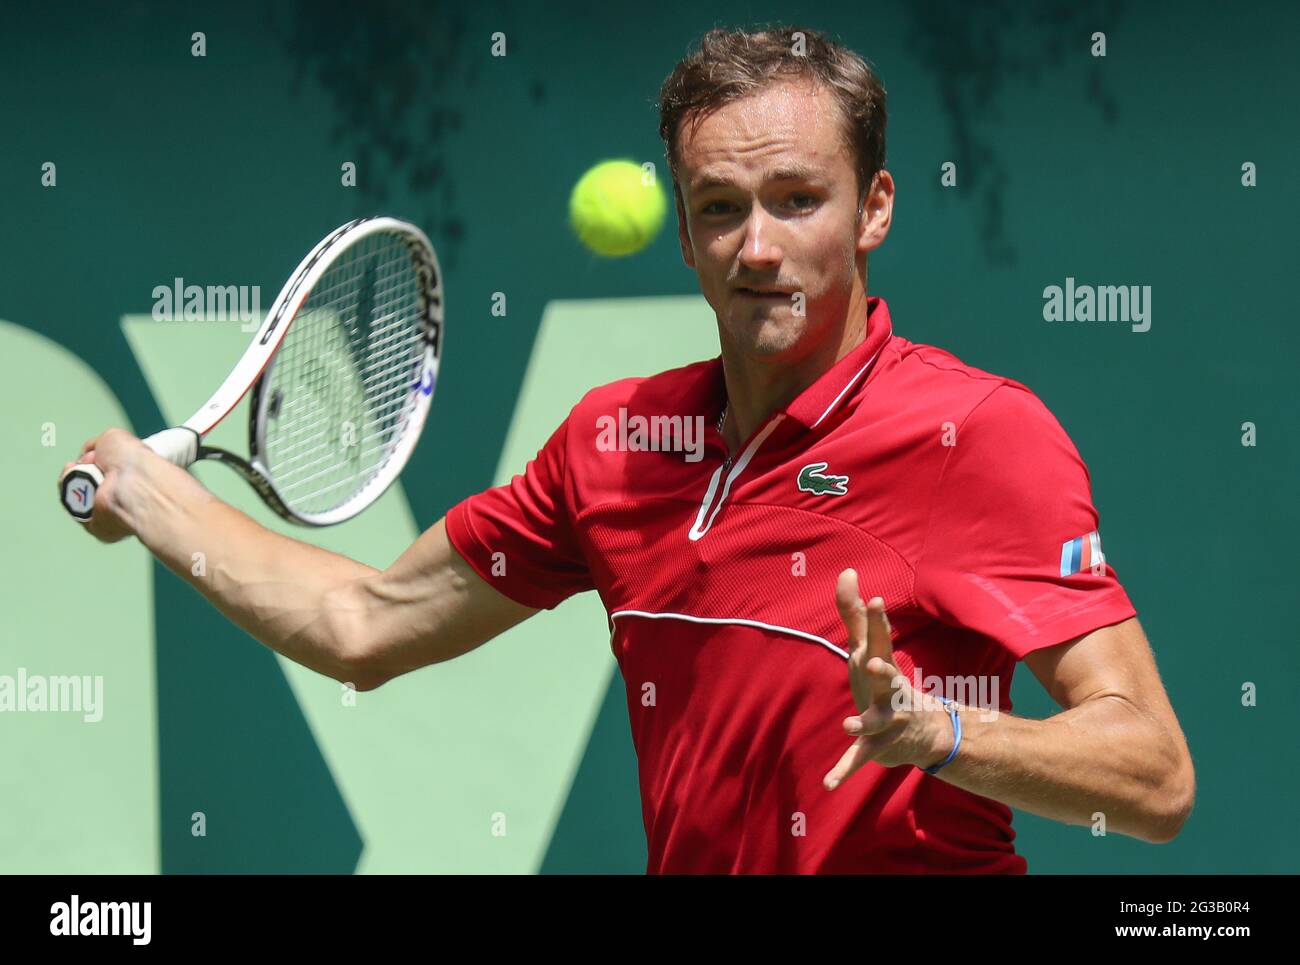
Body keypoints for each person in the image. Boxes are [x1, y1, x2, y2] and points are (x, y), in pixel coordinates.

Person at [66, 24, 1194, 873]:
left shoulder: (975, 435)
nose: (759, 247)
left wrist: (941, 729)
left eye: (799, 199)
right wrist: (146, 492)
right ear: (685, 230)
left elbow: (1153, 773)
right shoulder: (614, 444)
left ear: (875, 208)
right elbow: (363, 624)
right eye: (719, 206)